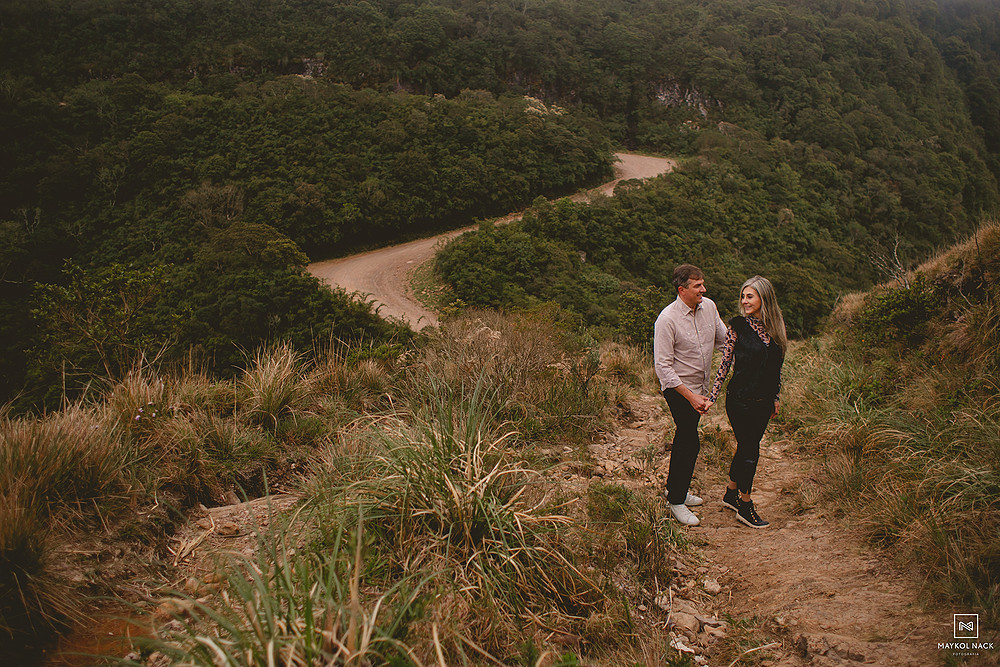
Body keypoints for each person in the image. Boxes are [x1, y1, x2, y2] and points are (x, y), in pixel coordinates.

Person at [705, 275, 787, 529]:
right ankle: (745, 504)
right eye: (743, 296)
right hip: (739, 400)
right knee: (750, 449)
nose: (744, 301)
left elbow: (777, 368)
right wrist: (711, 397)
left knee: (745, 447)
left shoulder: (775, 330)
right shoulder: (738, 327)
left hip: (763, 402)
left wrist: (775, 397)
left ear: (764, 298)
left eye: (749, 296)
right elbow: (725, 364)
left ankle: (731, 492)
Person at [654, 264, 728, 526]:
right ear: (681, 290)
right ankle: (675, 500)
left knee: (688, 435)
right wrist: (691, 397)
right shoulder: (667, 319)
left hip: (701, 386)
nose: (703, 289)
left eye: (703, 284)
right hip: (678, 388)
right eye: (697, 286)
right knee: (688, 439)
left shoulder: (709, 307)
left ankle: (677, 489)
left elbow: (724, 340)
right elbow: (663, 367)